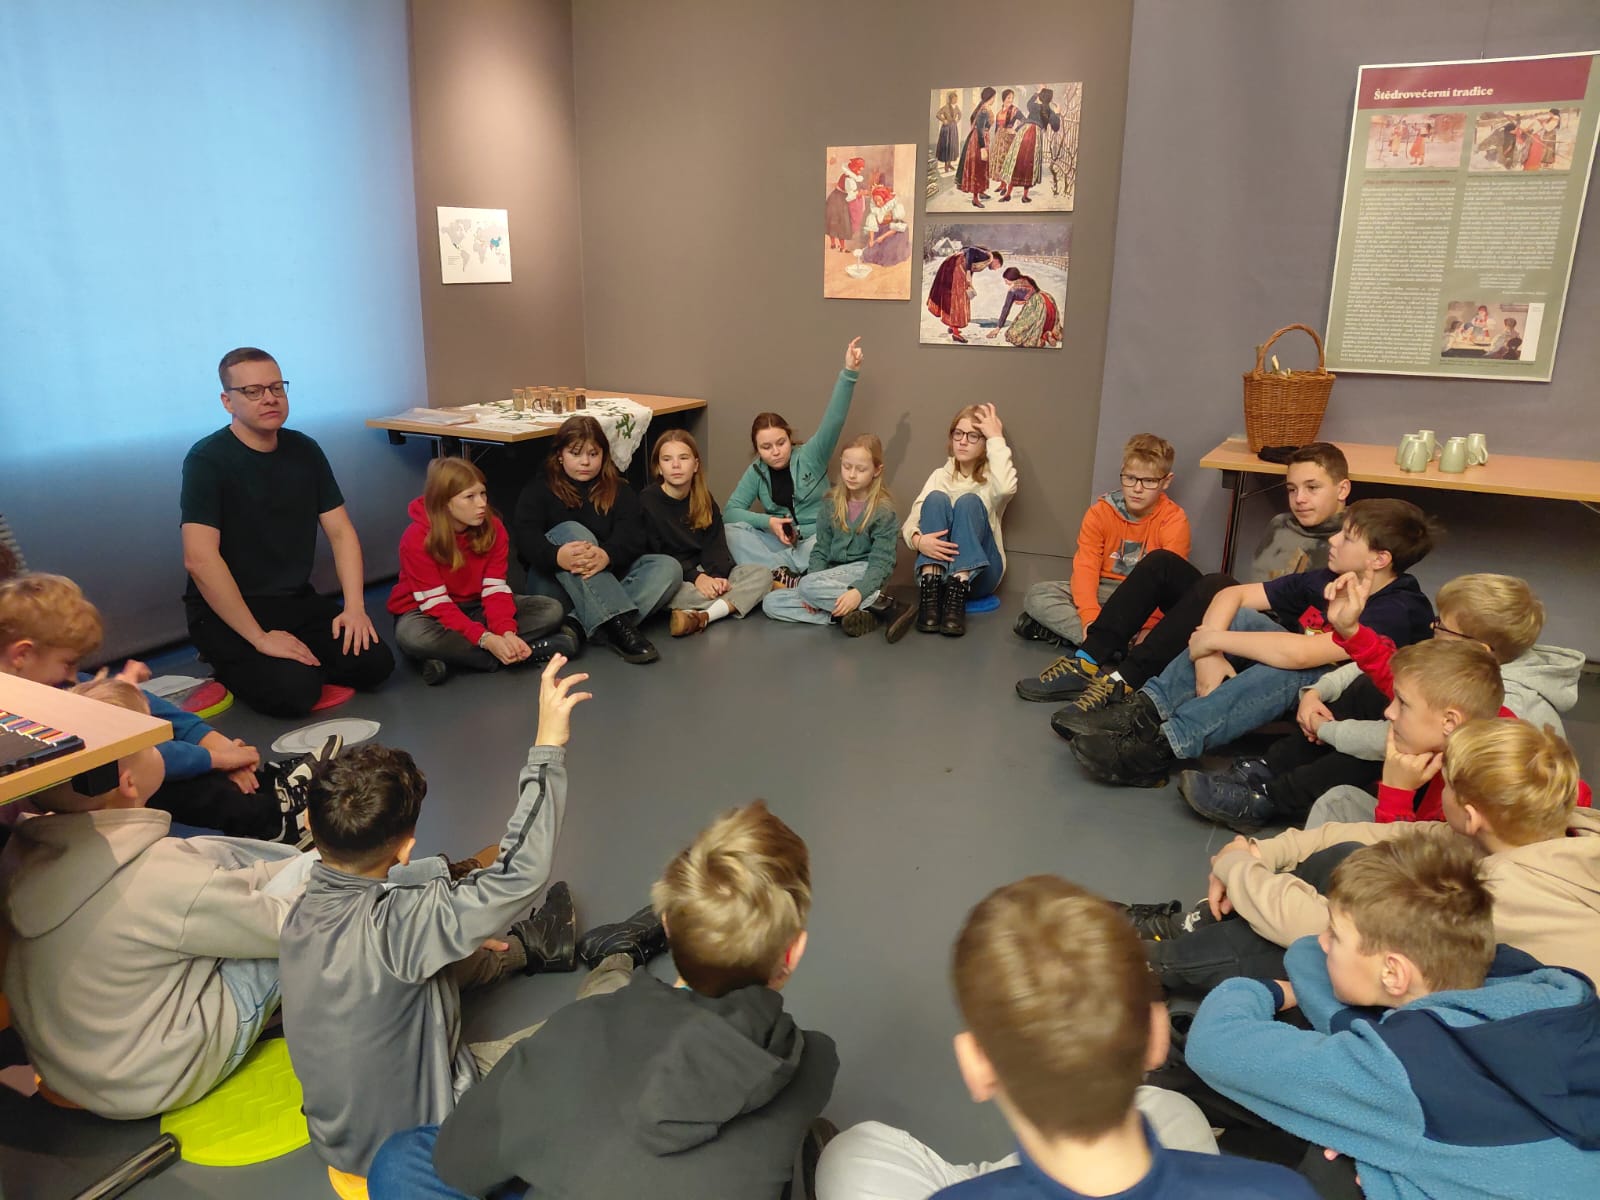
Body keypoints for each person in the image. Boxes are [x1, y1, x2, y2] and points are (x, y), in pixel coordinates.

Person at [367, 801, 838, 1200]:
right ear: (793, 952)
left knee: (398, 1162)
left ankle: (618, 955)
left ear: (667, 925)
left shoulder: (578, 1030)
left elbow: (457, 1162)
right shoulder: (813, 1064)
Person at [280, 657, 590, 1179]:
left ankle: (526, 948)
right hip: (421, 1147)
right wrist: (547, 748)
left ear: (310, 823)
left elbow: (396, 905)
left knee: (435, 938)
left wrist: (451, 920)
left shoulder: (299, 911)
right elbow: (520, 873)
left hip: (337, 1140)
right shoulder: (406, 924)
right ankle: (617, 964)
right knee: (588, 1035)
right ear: (406, 848)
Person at [815, 877, 1313, 1200]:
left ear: (976, 1065)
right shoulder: (1279, 1191)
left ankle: (1012, 1171)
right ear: (1156, 1034)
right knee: (1169, 1109)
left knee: (851, 1154)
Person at [1186, 834, 1600, 1200]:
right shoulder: (1545, 989)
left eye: (1336, 936)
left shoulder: (1405, 1071)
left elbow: (1214, 1043)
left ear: (1393, 973)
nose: (1322, 942)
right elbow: (1307, 952)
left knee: (1334, 1168)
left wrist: (1265, 990)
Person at [0, 678, 317, 1117]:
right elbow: (287, 929)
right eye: (154, 745)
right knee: (317, 914)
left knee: (217, 856)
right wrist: (334, 873)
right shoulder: (161, 876)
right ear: (129, 782)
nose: (163, 750)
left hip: (72, 1069)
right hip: (158, 1075)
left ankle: (304, 864)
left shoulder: (21, 855)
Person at [1066, 499, 1437, 788]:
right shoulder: (1329, 577)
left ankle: (1163, 747)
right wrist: (1208, 655)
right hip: (1302, 676)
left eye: (1348, 537)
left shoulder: (1396, 609)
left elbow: (1303, 655)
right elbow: (1234, 595)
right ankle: (1143, 712)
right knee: (1241, 618)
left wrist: (1210, 639)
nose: (1333, 540)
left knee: (1294, 666)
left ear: (1380, 559)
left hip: (1349, 704)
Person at [1183, 571, 1583, 830]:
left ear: (1478, 649)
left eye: (1442, 627)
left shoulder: (1506, 720)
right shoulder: (1465, 682)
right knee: (1369, 700)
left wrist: (1329, 730)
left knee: (1380, 746)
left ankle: (1268, 799)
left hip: (1424, 828)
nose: (1433, 629)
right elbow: (1389, 671)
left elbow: (1407, 850)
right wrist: (1350, 631)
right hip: (1418, 808)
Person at [1017, 442, 1350, 703]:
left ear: (1342, 490)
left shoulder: (1351, 544)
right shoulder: (1281, 524)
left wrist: (1220, 636)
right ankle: (1087, 660)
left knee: (1217, 583)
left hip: (1283, 642)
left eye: (1312, 488)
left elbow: (1320, 635)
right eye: (1291, 489)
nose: (1299, 499)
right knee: (1162, 562)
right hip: (1245, 615)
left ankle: (1125, 679)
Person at [0, 572, 319, 842]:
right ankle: (271, 819)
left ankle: (267, 788)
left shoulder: (49, 684)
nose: (72, 675)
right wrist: (218, 759)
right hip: (38, 820)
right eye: (67, 663)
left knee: (167, 754)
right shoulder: (25, 709)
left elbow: (150, 708)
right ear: (22, 655)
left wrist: (213, 741)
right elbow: (134, 751)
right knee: (158, 774)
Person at [181, 346, 394, 717]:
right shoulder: (207, 460)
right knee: (295, 692)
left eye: (277, 388)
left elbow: (341, 533)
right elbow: (200, 560)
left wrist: (355, 609)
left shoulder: (304, 450)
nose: (269, 398)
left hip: (292, 601)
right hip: (226, 610)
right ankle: (226, 659)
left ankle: (287, 659)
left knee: (374, 664)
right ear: (227, 402)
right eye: (253, 391)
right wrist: (259, 638)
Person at [387, 457, 575, 686]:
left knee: (550, 610)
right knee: (413, 636)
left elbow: (495, 590)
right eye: (470, 497)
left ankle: (453, 659)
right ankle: (524, 653)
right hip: (426, 611)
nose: (481, 504)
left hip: (476, 606)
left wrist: (506, 632)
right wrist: (486, 639)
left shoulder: (494, 527)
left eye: (483, 494)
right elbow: (437, 605)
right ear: (445, 502)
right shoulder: (416, 538)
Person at [513, 415, 680, 664]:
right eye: (576, 453)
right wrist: (557, 556)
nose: (585, 462)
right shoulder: (539, 489)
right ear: (560, 455)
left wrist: (607, 555)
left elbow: (634, 536)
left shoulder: (619, 489)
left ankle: (575, 627)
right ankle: (617, 626)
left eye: (593, 454)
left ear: (604, 455)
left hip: (606, 578)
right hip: (553, 585)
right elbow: (525, 540)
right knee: (571, 530)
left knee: (668, 567)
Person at [1015, 434, 1188, 664]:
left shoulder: (1174, 520)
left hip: (1146, 600)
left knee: (1186, 621)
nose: (1137, 489)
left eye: (1149, 481)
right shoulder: (1100, 512)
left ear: (1166, 481)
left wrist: (1149, 627)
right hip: (1104, 590)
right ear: (1122, 473)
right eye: (1130, 478)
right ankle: (1112, 645)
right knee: (1038, 595)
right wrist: (1090, 619)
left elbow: (1168, 585)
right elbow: (1086, 567)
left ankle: (1094, 642)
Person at [725, 337, 865, 576]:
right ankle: (782, 571)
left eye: (781, 443)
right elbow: (730, 513)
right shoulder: (756, 471)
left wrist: (849, 373)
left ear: (789, 439)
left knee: (829, 541)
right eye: (766, 447)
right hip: (778, 543)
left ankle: (776, 572)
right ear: (757, 449)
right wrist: (769, 523)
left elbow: (834, 419)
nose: (776, 451)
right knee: (730, 533)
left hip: (815, 538)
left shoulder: (811, 455)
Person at [762, 434, 911, 641]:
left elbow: (881, 564)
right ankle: (858, 614)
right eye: (847, 467)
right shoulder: (830, 503)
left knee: (806, 586)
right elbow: (821, 550)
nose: (852, 475)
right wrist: (813, 591)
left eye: (861, 469)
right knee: (771, 602)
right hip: (831, 578)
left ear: (877, 470)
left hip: (865, 574)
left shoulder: (883, 511)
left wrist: (858, 592)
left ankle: (886, 604)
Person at [639, 430, 772, 638]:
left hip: (705, 570)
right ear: (658, 467)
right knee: (672, 591)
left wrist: (717, 578)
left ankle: (704, 616)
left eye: (683, 458)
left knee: (762, 575)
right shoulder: (648, 501)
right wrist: (697, 578)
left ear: (695, 465)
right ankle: (732, 603)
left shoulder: (703, 498)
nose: (676, 465)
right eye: (667, 459)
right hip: (676, 576)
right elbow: (657, 556)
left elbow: (715, 543)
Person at [903, 403, 1018, 637]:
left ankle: (957, 595)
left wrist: (996, 438)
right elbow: (910, 522)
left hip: (981, 575)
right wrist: (919, 541)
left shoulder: (992, 480)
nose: (963, 441)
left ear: (985, 443)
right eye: (958, 433)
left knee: (968, 501)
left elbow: (1007, 488)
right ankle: (931, 594)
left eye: (973, 436)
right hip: (940, 575)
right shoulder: (939, 476)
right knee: (935, 498)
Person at [925, 246, 1003, 343]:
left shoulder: (983, 258)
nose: (996, 269)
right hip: (957, 266)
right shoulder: (987, 256)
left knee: (953, 297)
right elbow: (970, 250)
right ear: (996, 260)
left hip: (954, 265)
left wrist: (969, 282)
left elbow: (968, 257)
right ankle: (956, 333)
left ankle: (952, 326)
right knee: (959, 300)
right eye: (998, 265)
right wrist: (968, 272)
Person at [996, 87, 1059, 204]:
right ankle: (1025, 196)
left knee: (1016, 161)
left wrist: (1036, 93)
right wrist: (1058, 113)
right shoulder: (1050, 112)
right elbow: (1056, 127)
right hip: (1035, 137)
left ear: (1040, 97)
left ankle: (1008, 194)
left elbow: (1028, 103)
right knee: (1030, 165)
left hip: (1023, 132)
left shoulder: (1034, 106)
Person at [985, 266, 1062, 346]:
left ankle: (1042, 338)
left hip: (1037, 307)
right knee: (1038, 323)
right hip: (1048, 300)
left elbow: (1006, 308)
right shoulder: (1027, 279)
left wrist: (998, 328)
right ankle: (1047, 334)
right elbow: (1034, 291)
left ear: (1011, 279)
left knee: (1012, 335)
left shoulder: (1012, 290)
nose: (1005, 283)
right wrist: (1024, 301)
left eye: (1006, 280)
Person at [956, 87, 997, 207]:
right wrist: (982, 148)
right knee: (977, 167)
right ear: (990, 97)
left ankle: (981, 191)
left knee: (982, 166)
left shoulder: (984, 108)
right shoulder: (984, 110)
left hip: (982, 138)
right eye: (993, 97)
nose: (994, 99)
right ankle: (975, 198)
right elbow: (979, 129)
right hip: (978, 141)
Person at [860, 185, 911, 267]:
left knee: (888, 252)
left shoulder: (895, 207)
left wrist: (882, 237)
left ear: (885, 198)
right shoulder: (875, 210)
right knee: (870, 252)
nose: (877, 203)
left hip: (896, 232)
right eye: (875, 201)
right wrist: (871, 240)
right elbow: (872, 225)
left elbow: (896, 228)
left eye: (879, 200)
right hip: (883, 230)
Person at [825, 156, 866, 252]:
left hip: (837, 197)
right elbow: (850, 196)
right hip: (839, 199)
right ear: (854, 168)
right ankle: (837, 245)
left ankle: (838, 245)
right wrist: (860, 193)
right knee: (839, 222)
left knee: (836, 222)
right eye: (859, 168)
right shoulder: (849, 179)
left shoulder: (849, 176)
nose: (860, 170)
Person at [986, 88, 1022, 190]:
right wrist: (995, 140)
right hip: (999, 139)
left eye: (1012, 98)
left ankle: (1006, 186)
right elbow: (997, 127)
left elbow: (1024, 120)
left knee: (1006, 161)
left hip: (1008, 139)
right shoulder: (999, 112)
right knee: (1000, 162)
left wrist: (1015, 129)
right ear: (1004, 98)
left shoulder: (1015, 110)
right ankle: (1002, 185)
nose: (1010, 100)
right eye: (1008, 97)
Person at [935, 91, 962, 173]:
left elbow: (960, 114)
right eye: (954, 99)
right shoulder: (945, 107)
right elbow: (938, 114)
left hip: (953, 129)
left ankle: (949, 164)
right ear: (950, 99)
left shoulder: (956, 107)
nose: (955, 100)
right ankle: (946, 165)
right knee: (947, 145)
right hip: (946, 129)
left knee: (952, 145)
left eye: (956, 99)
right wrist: (943, 120)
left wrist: (957, 120)